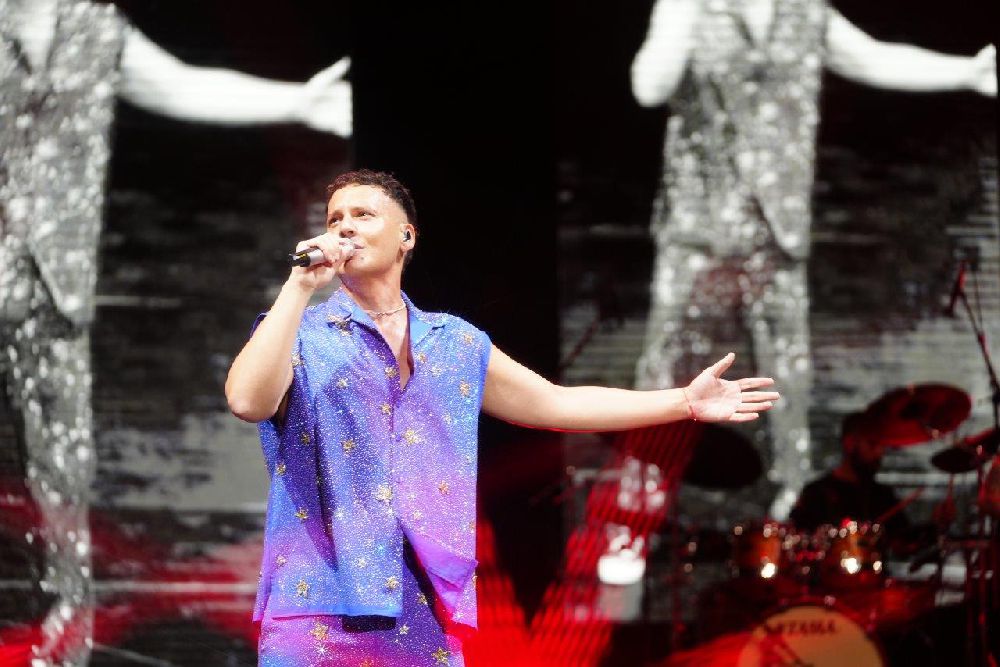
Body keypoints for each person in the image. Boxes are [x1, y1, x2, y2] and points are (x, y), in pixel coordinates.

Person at [225, 169, 779, 665]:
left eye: (363, 214)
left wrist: (682, 402)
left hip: (426, 605)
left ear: (406, 236)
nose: (344, 227)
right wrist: (300, 286)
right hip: (318, 603)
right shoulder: (298, 332)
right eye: (334, 219)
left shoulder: (455, 342)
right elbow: (249, 402)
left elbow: (557, 404)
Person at [0, 1, 351, 663]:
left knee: (60, 474)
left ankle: (63, 640)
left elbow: (183, 85)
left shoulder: (93, 29)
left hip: (53, 292)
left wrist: (298, 101)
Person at [629, 0, 997, 520]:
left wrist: (968, 72)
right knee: (667, 356)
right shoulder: (690, 9)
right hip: (699, 221)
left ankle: (791, 497)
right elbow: (649, 87)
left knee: (787, 368)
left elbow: (871, 57)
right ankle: (637, 491)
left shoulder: (804, 13)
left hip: (777, 225)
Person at [789, 411, 910, 539]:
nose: (879, 453)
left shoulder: (883, 496)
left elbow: (905, 539)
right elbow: (796, 537)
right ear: (850, 443)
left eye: (882, 446)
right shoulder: (816, 493)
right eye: (872, 444)